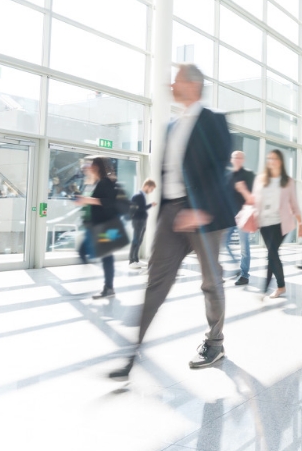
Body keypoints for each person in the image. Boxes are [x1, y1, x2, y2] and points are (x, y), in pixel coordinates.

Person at [109, 64, 234, 380]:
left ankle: (215, 342)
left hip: (204, 215)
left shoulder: (214, 120)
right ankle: (132, 354)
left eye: (176, 79)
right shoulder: (171, 126)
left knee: (210, 282)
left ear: (192, 85)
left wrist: (200, 208)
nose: (171, 84)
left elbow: (220, 167)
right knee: (156, 283)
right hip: (171, 214)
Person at [254, 149, 302, 299]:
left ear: (280, 161)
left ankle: (267, 289)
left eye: (274, 158)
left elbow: (294, 203)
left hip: (280, 223)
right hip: (264, 222)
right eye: (269, 158)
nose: (271, 161)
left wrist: (300, 223)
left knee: (272, 253)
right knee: (272, 254)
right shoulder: (261, 179)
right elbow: (255, 200)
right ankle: (279, 287)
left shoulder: (288, 181)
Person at [76, 156, 119, 299]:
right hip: (95, 225)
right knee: (84, 252)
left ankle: (109, 288)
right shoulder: (95, 182)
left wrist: (87, 200)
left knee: (106, 257)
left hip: (105, 225)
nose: (89, 168)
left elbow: (109, 202)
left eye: (92, 165)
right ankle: (108, 286)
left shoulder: (106, 182)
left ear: (98, 167)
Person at [223, 151, 255, 286]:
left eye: (240, 157)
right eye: (235, 157)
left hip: (244, 215)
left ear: (243, 159)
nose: (237, 159)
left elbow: (253, 198)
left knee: (244, 247)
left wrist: (242, 190)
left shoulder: (249, 175)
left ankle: (244, 275)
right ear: (231, 160)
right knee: (224, 242)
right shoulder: (228, 176)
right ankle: (237, 266)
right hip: (230, 216)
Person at [128, 179, 157, 268]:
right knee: (136, 240)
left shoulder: (141, 196)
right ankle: (131, 261)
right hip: (138, 220)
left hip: (141, 221)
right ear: (147, 186)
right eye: (151, 189)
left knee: (139, 240)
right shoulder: (138, 196)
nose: (151, 191)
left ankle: (136, 260)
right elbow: (139, 209)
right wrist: (150, 205)